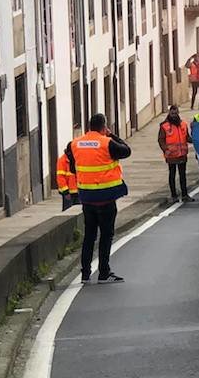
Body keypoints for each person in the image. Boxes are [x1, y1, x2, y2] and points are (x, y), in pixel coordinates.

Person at [71, 114, 130, 284]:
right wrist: (111, 135)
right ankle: (103, 272)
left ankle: (85, 274)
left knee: (89, 236)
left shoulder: (75, 143)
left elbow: (72, 162)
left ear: (89, 126)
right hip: (105, 197)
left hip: (87, 198)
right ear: (104, 127)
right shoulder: (107, 143)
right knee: (106, 236)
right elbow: (126, 150)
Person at [158, 105, 192, 202]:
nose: (174, 115)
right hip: (171, 155)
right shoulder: (164, 126)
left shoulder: (183, 124)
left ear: (178, 113)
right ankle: (174, 195)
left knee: (183, 175)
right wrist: (165, 149)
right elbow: (161, 140)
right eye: (172, 113)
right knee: (172, 175)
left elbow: (187, 137)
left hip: (182, 154)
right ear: (169, 113)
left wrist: (196, 140)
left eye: (175, 113)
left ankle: (185, 194)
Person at [56, 140, 78, 210]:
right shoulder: (62, 161)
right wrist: (66, 192)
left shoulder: (77, 159)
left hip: (78, 192)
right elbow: (60, 178)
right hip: (68, 193)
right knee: (68, 213)